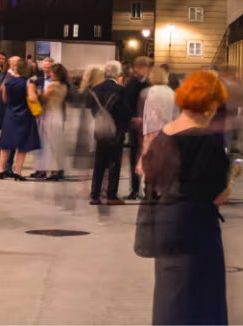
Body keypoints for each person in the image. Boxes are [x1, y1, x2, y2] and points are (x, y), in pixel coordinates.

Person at [142, 70, 233, 326]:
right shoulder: (206, 142)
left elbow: (151, 176)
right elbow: (215, 193)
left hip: (165, 227)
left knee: (170, 298)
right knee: (201, 302)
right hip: (196, 230)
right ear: (208, 105)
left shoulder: (164, 135)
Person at [87, 60, 133, 205]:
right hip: (116, 132)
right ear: (118, 74)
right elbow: (126, 113)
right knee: (114, 163)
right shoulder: (121, 90)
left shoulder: (95, 89)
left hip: (100, 130)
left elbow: (92, 109)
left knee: (99, 162)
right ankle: (111, 195)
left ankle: (95, 195)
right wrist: (123, 128)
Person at [0, 56, 39, 180]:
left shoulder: (7, 82)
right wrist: (37, 93)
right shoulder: (28, 82)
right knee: (22, 145)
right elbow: (32, 98)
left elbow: (4, 99)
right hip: (24, 114)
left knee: (6, 144)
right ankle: (18, 172)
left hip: (10, 114)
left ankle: (0, 170)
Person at [122, 55, 153, 202]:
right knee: (135, 156)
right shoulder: (132, 83)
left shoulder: (151, 83)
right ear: (137, 68)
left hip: (150, 125)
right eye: (144, 67)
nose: (146, 70)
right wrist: (133, 118)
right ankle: (134, 189)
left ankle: (149, 189)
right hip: (136, 125)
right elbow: (127, 103)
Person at [38, 62, 69, 183]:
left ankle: (52, 171)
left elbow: (43, 98)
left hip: (50, 116)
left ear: (56, 74)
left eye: (52, 72)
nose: (50, 74)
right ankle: (57, 170)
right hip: (59, 116)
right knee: (57, 144)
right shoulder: (64, 86)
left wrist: (36, 91)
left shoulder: (52, 85)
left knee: (49, 145)